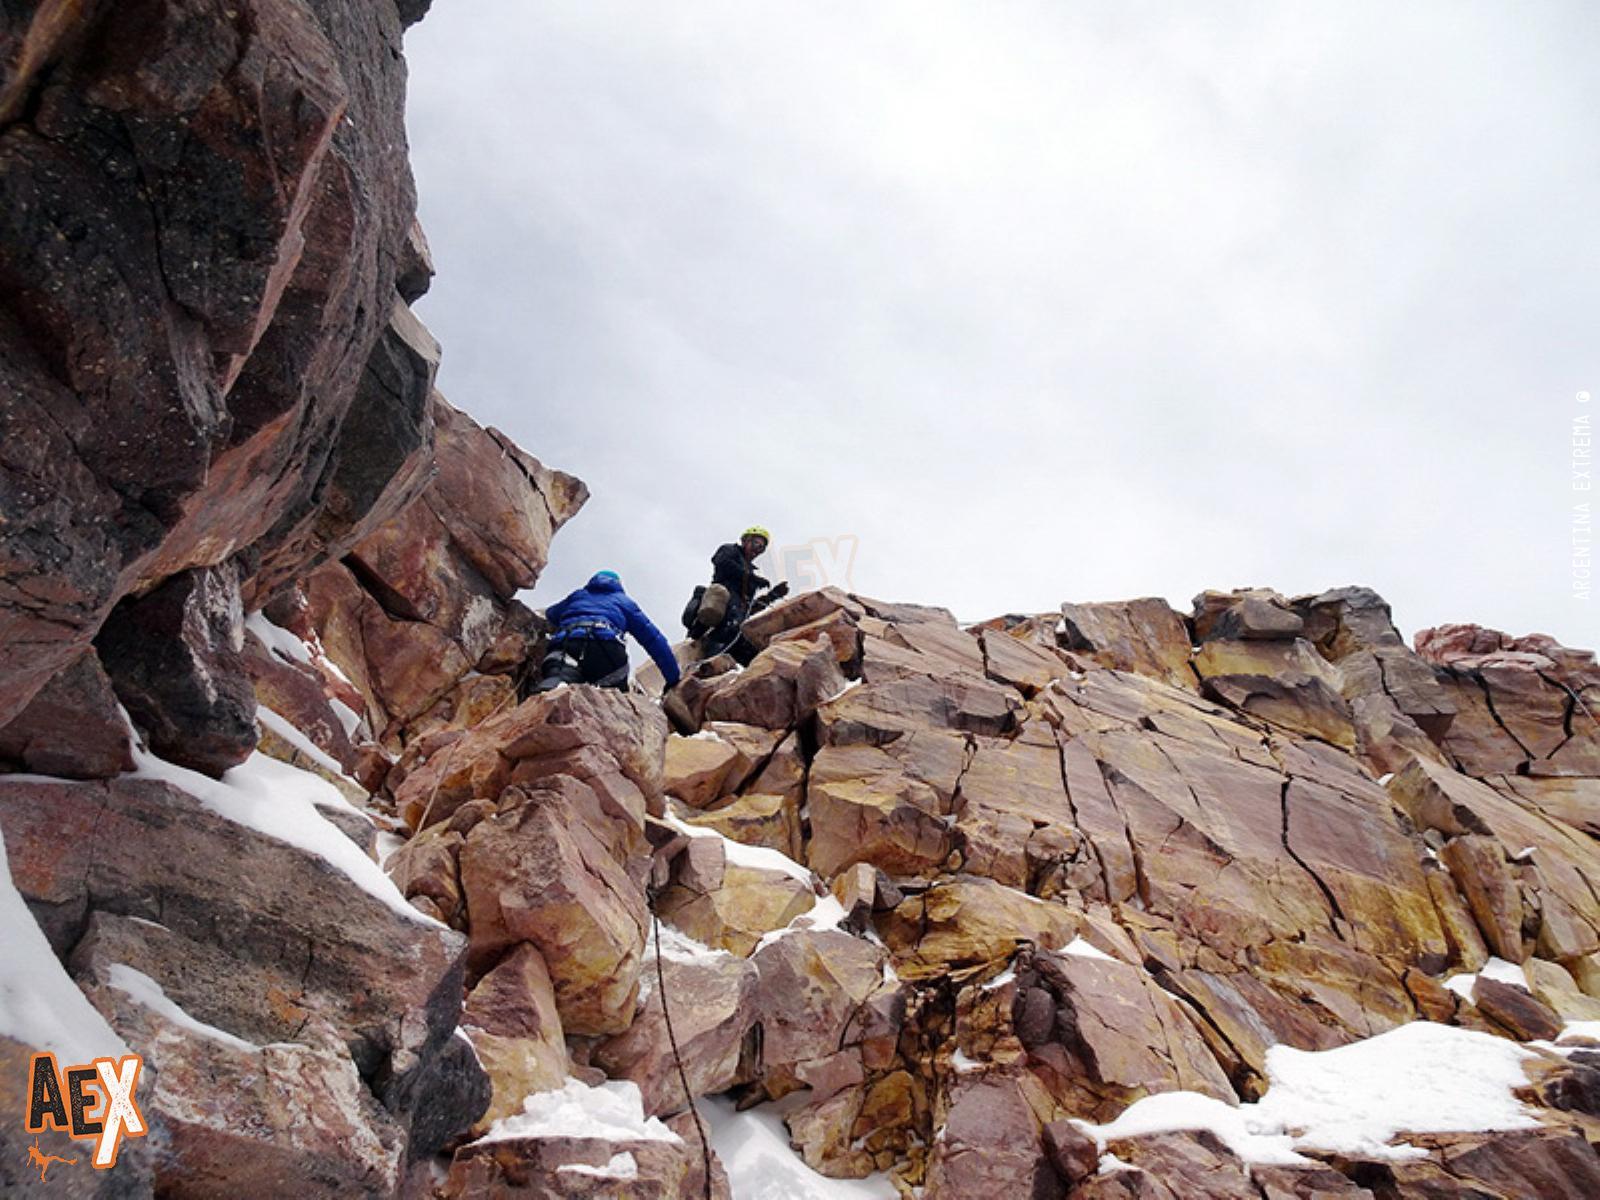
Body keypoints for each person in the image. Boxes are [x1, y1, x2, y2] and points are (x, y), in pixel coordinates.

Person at [533, 571, 681, 694]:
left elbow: (551, 614)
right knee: (613, 694)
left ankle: (556, 686)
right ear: (618, 585)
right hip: (606, 649)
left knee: (559, 675)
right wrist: (673, 678)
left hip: (568, 643)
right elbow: (654, 640)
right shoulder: (625, 602)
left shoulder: (578, 596)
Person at [687, 527, 788, 661]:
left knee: (755, 655)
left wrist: (773, 596)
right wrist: (750, 577)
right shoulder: (729, 551)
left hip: (735, 627)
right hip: (722, 618)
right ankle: (704, 664)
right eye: (756, 544)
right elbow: (722, 562)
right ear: (745, 540)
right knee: (729, 627)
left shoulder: (750, 573)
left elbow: (748, 609)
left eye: (761, 548)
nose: (757, 550)